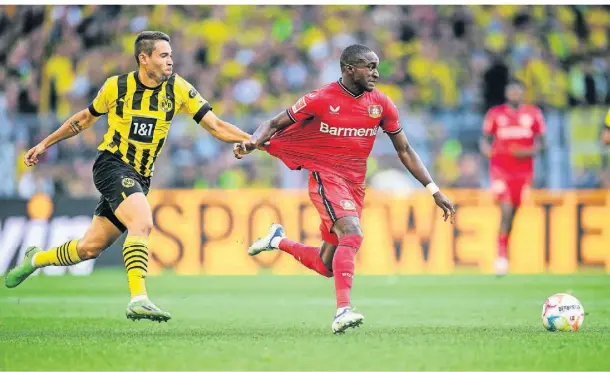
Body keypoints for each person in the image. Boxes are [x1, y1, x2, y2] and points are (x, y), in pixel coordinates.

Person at [5, 31, 251, 322]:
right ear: (143, 59)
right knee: (142, 221)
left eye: (171, 55)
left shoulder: (179, 89)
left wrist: (251, 139)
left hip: (141, 178)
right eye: (163, 55)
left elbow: (216, 125)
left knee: (89, 248)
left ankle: (35, 258)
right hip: (112, 165)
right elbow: (82, 119)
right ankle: (139, 298)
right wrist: (45, 143)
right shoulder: (117, 87)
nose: (171, 60)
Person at [234, 44, 456, 334]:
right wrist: (253, 141)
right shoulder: (321, 98)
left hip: (354, 185)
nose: (376, 73)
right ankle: (343, 311)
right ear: (349, 69)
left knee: (326, 265)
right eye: (370, 66)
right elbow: (274, 123)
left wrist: (434, 190)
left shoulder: (382, 104)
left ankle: (278, 241)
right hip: (325, 177)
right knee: (352, 232)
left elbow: (405, 150)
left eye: (377, 66)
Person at [479, 79, 546, 276]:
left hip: (523, 172)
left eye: (518, 91)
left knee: (513, 213)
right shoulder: (495, 114)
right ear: (507, 93)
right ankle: (501, 256)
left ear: (523, 93)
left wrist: (528, 152)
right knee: (506, 207)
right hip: (500, 169)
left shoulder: (533, 114)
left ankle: (504, 247)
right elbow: (484, 139)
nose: (515, 94)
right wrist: (486, 151)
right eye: (512, 91)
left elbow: (542, 144)